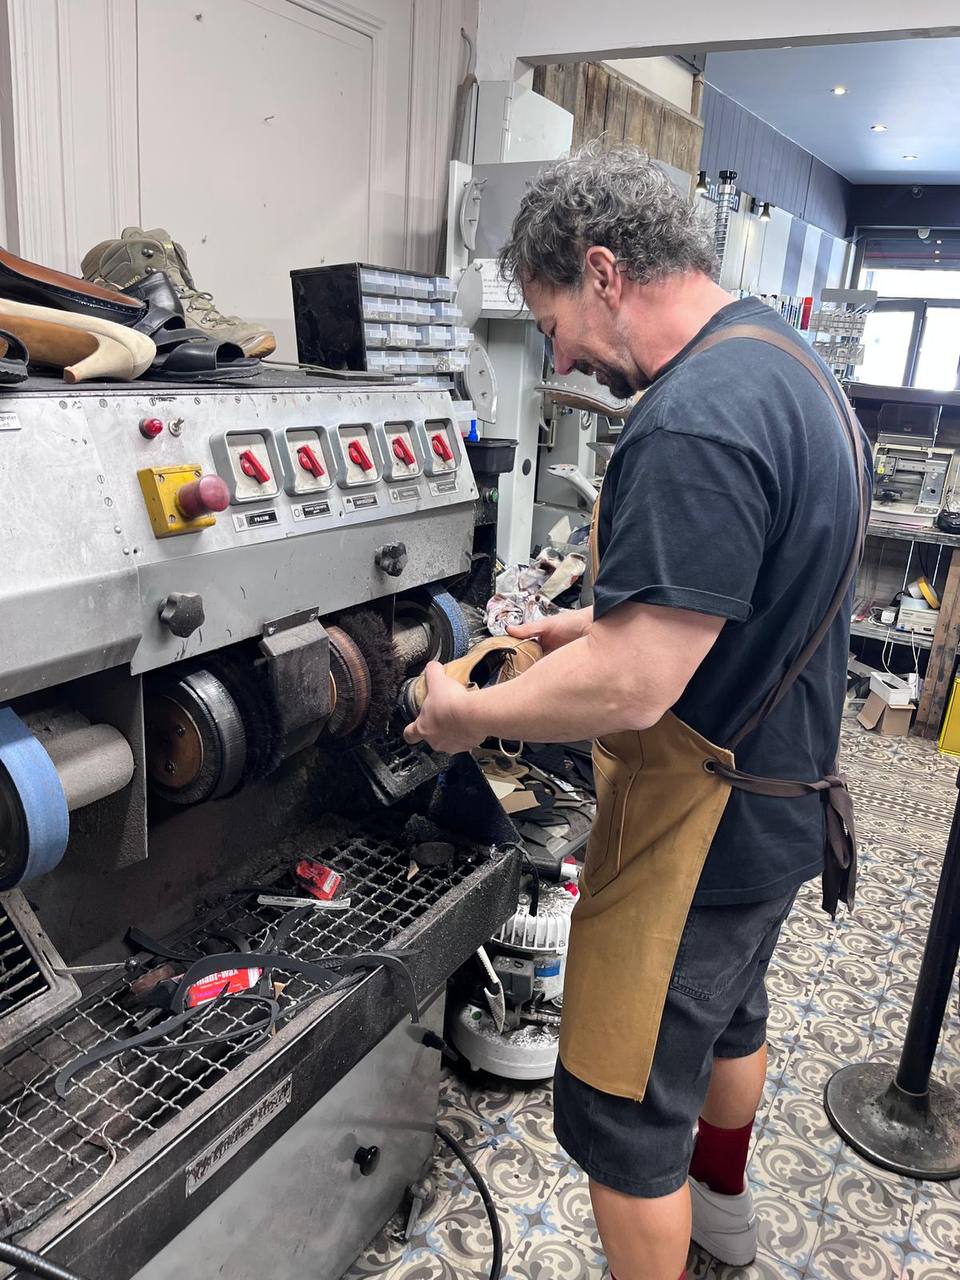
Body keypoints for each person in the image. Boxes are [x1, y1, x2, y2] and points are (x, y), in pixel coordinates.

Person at [404, 143, 866, 1280]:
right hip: (778, 807)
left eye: (552, 317)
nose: (557, 351)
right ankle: (726, 1215)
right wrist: (592, 633)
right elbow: (721, 613)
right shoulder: (785, 362)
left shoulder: (693, 417)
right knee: (732, 1026)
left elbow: (638, 684)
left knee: (624, 1121)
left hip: (694, 839)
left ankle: (680, 1216)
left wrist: (473, 713)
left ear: (604, 272)